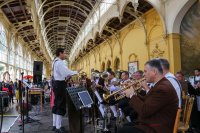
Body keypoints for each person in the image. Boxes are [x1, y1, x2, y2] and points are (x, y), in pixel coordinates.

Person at [119, 59, 178, 133]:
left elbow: (144, 111)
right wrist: (134, 92)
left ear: (154, 72)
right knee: (125, 126)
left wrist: (132, 95)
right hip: (152, 122)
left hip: (157, 127)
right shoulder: (160, 84)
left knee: (122, 130)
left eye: (145, 71)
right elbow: (147, 100)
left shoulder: (162, 88)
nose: (144, 74)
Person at [52, 48, 81, 133]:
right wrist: (76, 72)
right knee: (61, 105)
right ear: (60, 53)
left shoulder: (54, 62)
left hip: (57, 84)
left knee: (57, 104)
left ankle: (55, 125)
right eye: (64, 53)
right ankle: (58, 127)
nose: (65, 55)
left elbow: (63, 73)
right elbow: (65, 73)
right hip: (60, 85)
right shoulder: (60, 63)